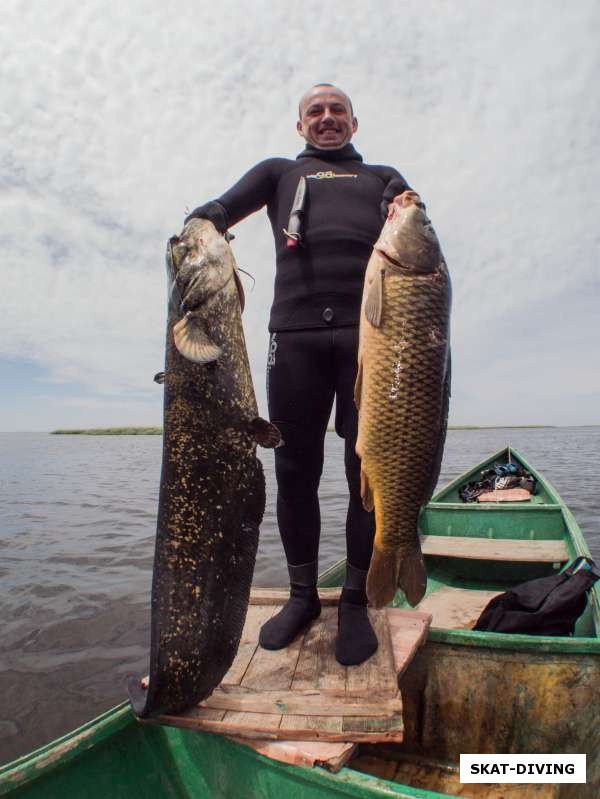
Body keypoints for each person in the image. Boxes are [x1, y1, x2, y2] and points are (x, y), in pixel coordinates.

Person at [185, 83, 412, 666]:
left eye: (338, 111)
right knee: (294, 470)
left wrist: (406, 197)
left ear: (354, 123)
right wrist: (201, 230)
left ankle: (357, 600)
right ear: (300, 125)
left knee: (368, 472)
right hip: (295, 340)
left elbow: (418, 229)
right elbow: (215, 209)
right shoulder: (277, 173)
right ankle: (303, 595)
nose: (328, 118)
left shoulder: (383, 177)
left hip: (373, 346)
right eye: (317, 111)